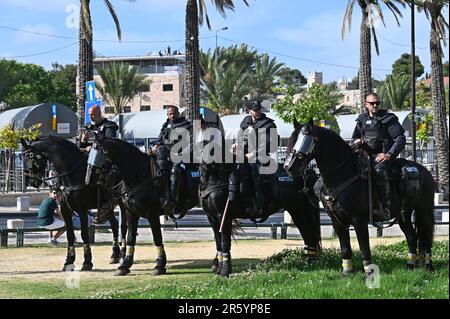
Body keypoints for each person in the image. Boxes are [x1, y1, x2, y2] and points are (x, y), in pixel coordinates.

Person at [352, 93, 406, 220]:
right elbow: (355, 137)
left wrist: (389, 154)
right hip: (364, 156)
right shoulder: (361, 119)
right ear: (366, 104)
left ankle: (386, 207)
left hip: (382, 158)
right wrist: (357, 141)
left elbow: (400, 139)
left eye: (377, 103)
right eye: (372, 103)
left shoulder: (388, 118)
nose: (375, 105)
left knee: (379, 170)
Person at [232, 100, 278, 216]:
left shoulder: (268, 124)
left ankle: (258, 203)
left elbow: (268, 144)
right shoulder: (245, 122)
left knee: (253, 169)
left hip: (261, 157)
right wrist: (236, 145)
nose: (258, 111)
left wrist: (252, 154)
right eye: (255, 110)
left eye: (259, 109)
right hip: (244, 156)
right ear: (249, 110)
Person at [79, 105, 119, 223]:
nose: (91, 116)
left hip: (105, 160)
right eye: (90, 114)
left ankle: (106, 203)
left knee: (107, 176)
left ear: (99, 113)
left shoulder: (109, 126)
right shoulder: (87, 127)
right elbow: (80, 147)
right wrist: (83, 141)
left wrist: (91, 147)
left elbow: (109, 143)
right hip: (88, 161)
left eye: (93, 114)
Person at [151, 105, 191, 210]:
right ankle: (160, 196)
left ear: (178, 114)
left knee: (175, 171)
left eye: (174, 113)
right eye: (170, 114)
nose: (172, 115)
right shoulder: (165, 125)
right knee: (157, 169)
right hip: (164, 156)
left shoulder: (186, 125)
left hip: (180, 155)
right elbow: (159, 139)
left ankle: (173, 200)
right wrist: (156, 145)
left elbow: (191, 142)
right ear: (167, 115)